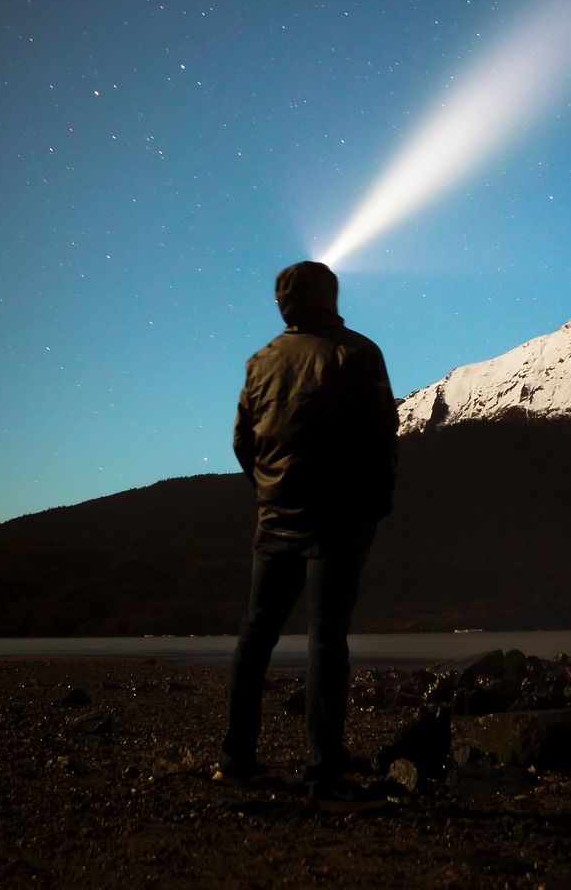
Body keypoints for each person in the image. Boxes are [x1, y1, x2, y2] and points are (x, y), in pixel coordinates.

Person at [214, 261, 398, 812]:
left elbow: (243, 441)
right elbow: (380, 436)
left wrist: (269, 489)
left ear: (284, 302)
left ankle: (237, 761)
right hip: (339, 522)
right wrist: (376, 505)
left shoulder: (262, 360)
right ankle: (324, 776)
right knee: (326, 640)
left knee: (255, 638)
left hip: (274, 522)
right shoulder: (358, 352)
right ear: (330, 295)